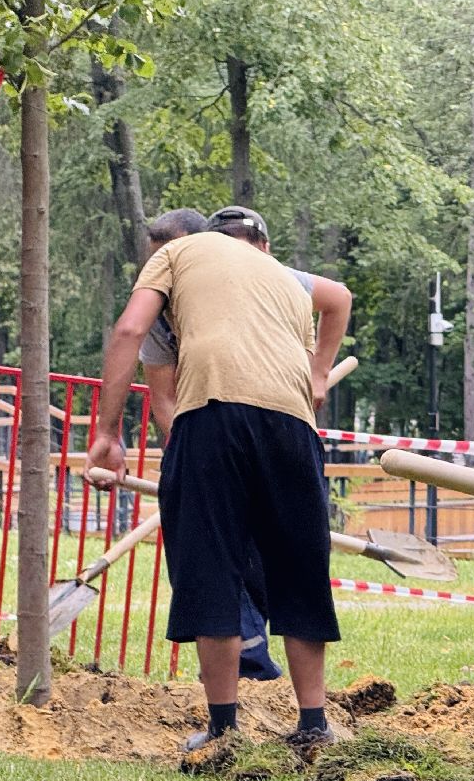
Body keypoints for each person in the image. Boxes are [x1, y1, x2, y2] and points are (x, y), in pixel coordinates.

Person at [87, 205, 350, 750]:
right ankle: (314, 725)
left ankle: (224, 729)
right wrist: (319, 371)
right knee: (300, 568)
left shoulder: (177, 253)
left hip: (214, 412)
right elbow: (338, 298)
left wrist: (108, 434)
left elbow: (130, 327)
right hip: (294, 426)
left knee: (209, 565)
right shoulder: (280, 274)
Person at [137, 208, 354, 683]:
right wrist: (188, 461)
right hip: (214, 430)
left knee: (275, 562)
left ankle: (264, 692)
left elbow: (338, 297)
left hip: (276, 429)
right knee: (221, 562)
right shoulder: (163, 308)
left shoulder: (274, 277)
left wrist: (318, 371)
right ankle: (254, 680)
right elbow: (164, 399)